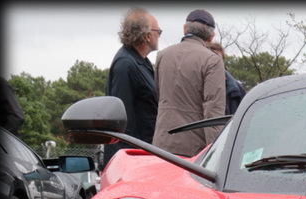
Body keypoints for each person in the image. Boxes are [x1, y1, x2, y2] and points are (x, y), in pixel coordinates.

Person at [152, 9, 225, 156]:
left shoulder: (162, 55)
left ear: (185, 29)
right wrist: (215, 153)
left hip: (161, 143)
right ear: (211, 37)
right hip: (194, 149)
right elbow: (213, 112)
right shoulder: (212, 61)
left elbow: (159, 96)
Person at [102, 8, 161, 169]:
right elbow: (123, 121)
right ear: (148, 36)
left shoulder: (141, 62)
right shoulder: (125, 65)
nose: (159, 36)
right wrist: (135, 160)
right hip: (132, 160)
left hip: (146, 154)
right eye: (158, 32)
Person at [208, 42, 246, 115]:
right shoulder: (195, 86)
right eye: (211, 58)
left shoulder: (237, 90)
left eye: (217, 58)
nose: (214, 62)